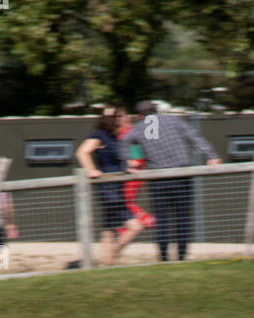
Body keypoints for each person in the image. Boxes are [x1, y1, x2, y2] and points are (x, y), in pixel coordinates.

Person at [131, 100, 222, 262]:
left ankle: (164, 257)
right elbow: (194, 137)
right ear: (156, 110)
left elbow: (123, 143)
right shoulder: (173, 120)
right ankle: (181, 256)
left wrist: (128, 163)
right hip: (181, 176)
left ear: (139, 116)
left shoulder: (138, 127)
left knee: (162, 220)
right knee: (182, 218)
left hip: (158, 179)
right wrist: (211, 156)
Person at [77, 108, 145, 266]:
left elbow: (116, 160)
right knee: (136, 227)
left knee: (109, 230)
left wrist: (127, 167)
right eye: (120, 117)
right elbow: (82, 152)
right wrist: (91, 170)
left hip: (116, 188)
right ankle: (111, 256)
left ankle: (108, 264)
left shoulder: (115, 137)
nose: (124, 119)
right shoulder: (99, 135)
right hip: (109, 190)